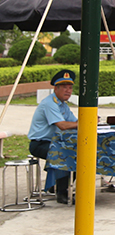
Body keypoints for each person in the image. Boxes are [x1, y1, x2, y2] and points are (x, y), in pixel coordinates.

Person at [27, 69, 78, 204]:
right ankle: (62, 193)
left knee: (80, 152)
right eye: (64, 87)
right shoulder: (50, 103)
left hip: (56, 142)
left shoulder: (63, 105)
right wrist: (83, 123)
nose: (68, 91)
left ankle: (57, 185)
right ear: (56, 88)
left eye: (70, 88)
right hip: (40, 143)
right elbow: (63, 125)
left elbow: (74, 122)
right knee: (65, 153)